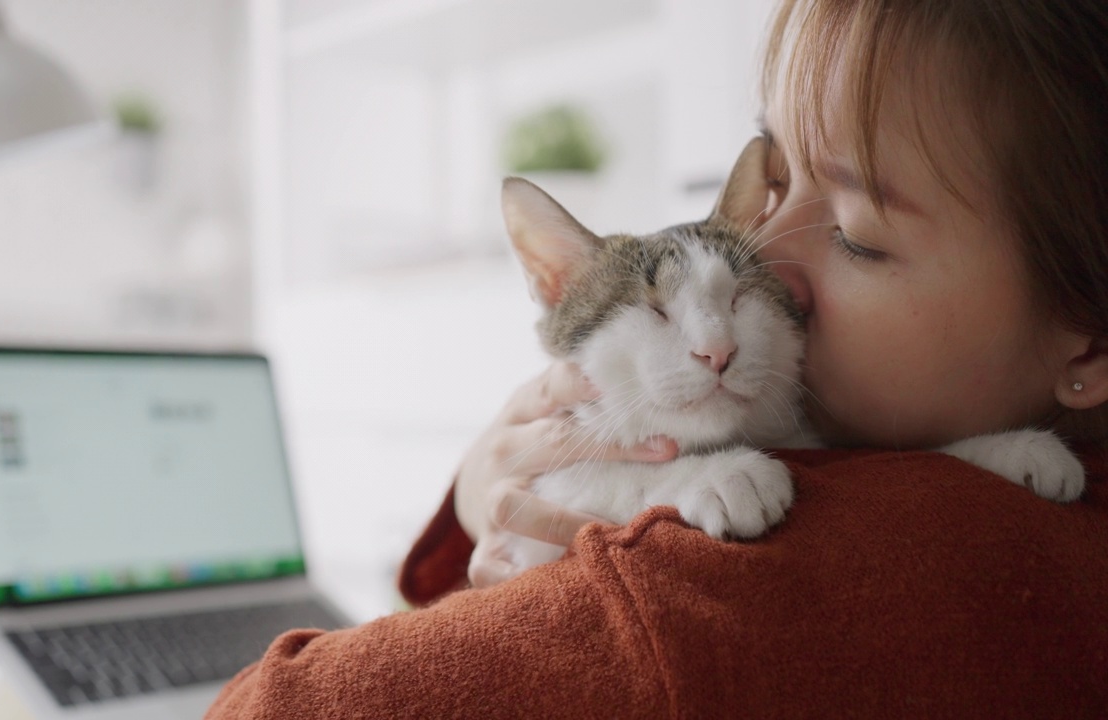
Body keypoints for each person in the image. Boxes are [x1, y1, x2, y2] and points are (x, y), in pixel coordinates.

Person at [206, 1, 1108, 717]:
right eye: (779, 179)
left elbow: (266, 706)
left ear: (1091, 337)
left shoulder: (696, 610)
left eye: (859, 236)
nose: (772, 260)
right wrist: (482, 499)